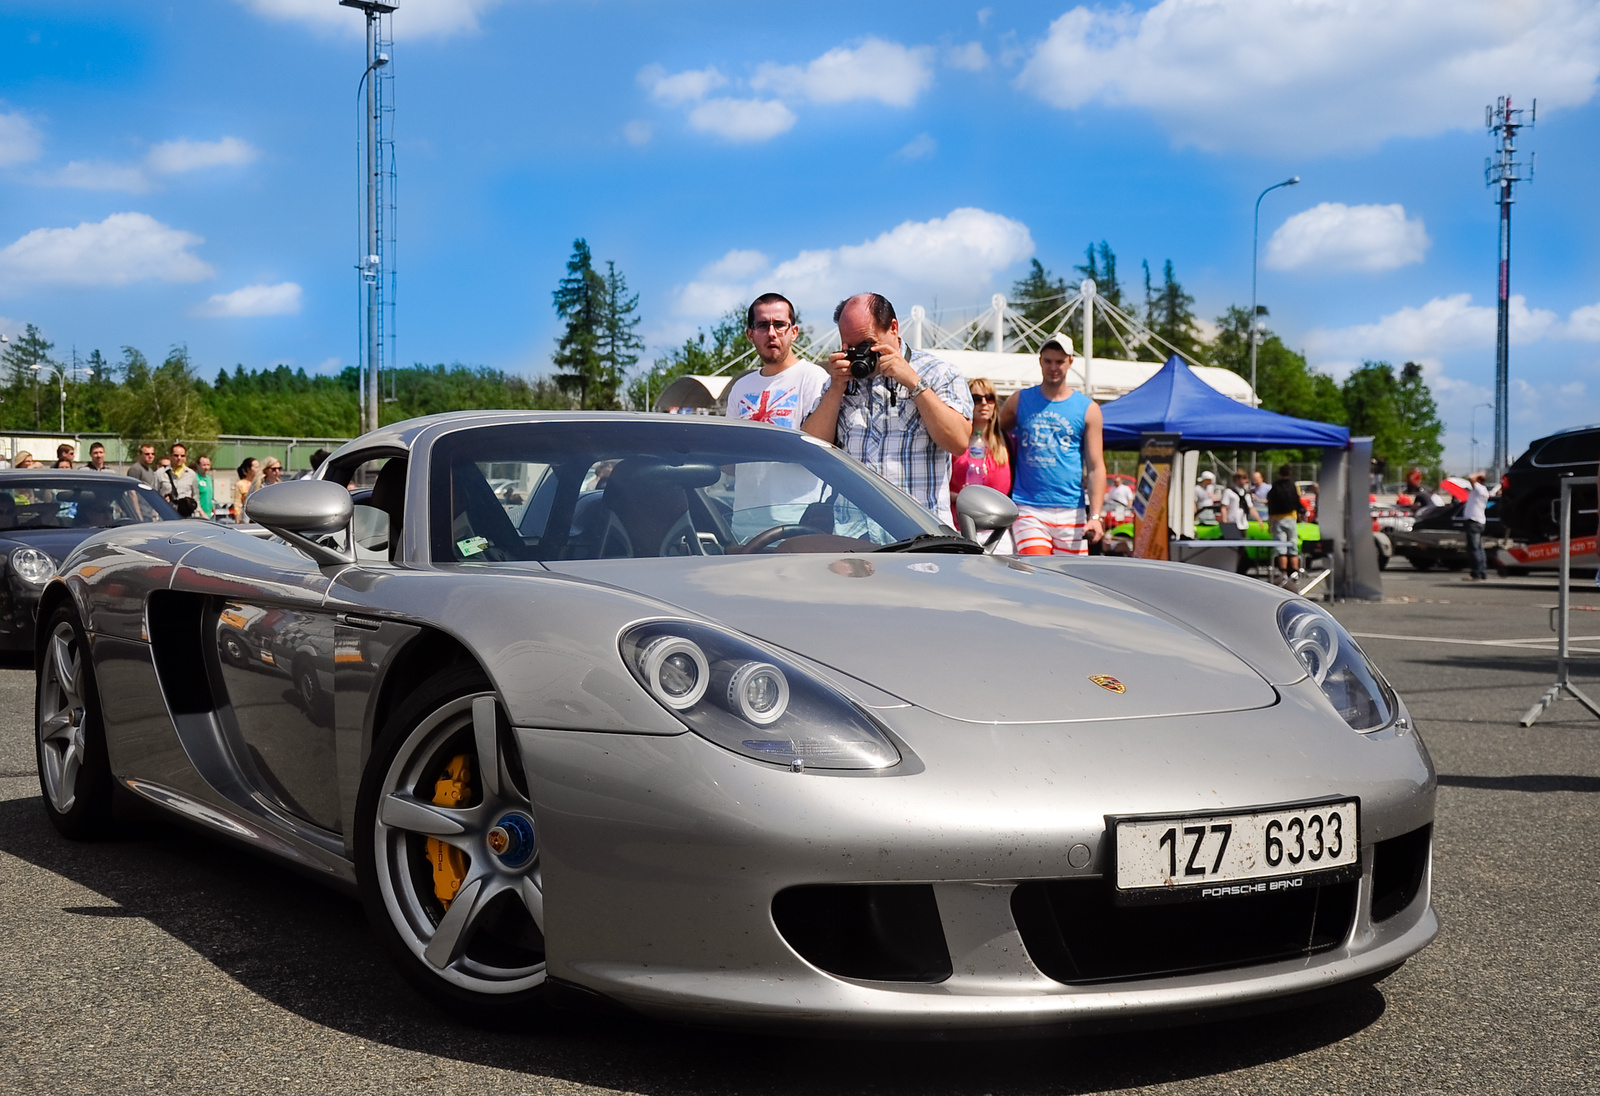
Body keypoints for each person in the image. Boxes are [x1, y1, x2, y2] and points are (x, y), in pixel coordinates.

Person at [802, 293, 973, 522]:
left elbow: (958, 441)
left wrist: (914, 383)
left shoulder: (938, 373)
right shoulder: (840, 381)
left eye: (866, 345)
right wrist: (835, 390)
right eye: (849, 347)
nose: (860, 355)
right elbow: (813, 448)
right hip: (852, 533)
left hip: (918, 531)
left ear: (893, 328)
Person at [724, 292, 830, 537]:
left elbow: (821, 448)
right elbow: (729, 465)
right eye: (762, 325)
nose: (771, 333)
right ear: (750, 334)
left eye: (779, 324)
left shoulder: (813, 379)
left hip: (798, 524)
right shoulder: (741, 387)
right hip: (744, 525)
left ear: (794, 331)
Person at [997, 336, 1106, 555]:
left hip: (1071, 509)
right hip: (1029, 507)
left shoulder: (1088, 409)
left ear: (1070, 362)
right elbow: (994, 435)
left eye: (1059, 361)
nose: (1053, 367)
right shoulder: (1020, 400)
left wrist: (1095, 517)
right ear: (1040, 362)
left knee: (1071, 583)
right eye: (1048, 361)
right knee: (1038, 574)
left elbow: (1096, 466)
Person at [948, 377, 1012, 525]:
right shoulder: (955, 441)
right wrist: (960, 497)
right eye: (976, 398)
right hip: (960, 522)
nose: (984, 403)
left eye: (989, 398)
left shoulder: (1006, 442)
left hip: (996, 524)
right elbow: (940, 486)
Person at [1265, 463, 1305, 584]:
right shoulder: (1293, 486)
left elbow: (1270, 503)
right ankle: (1295, 573)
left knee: (1281, 547)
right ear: (1290, 473)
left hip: (1277, 519)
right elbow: (1297, 502)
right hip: (1291, 518)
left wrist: (1270, 521)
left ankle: (1283, 573)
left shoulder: (1275, 487)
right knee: (1293, 546)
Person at [1462, 471, 1490, 581]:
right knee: (1479, 549)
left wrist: (1479, 474)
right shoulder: (1482, 491)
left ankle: (1476, 573)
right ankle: (1482, 572)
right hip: (1479, 521)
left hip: (1473, 521)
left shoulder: (1479, 489)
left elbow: (1471, 477)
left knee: (1474, 549)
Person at [160, 443, 200, 509]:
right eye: (176, 455)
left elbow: (195, 497)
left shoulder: (191, 474)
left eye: (182, 456)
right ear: (170, 456)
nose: (179, 458)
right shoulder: (160, 473)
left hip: (186, 515)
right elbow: (154, 496)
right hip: (166, 513)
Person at [1219, 470, 1255, 541]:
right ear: (1237, 479)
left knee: (1242, 546)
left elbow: (1251, 508)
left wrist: (1259, 519)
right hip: (1232, 523)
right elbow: (1224, 507)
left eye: (1246, 478)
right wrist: (1225, 521)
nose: (1246, 480)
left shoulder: (1246, 493)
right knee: (1232, 545)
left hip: (1243, 524)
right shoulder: (1229, 492)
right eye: (1244, 478)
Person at [195, 454, 215, 519]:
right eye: (204, 465)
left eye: (208, 465)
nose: (206, 468)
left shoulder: (209, 479)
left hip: (209, 515)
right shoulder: (194, 478)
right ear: (197, 465)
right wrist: (202, 513)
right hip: (199, 516)